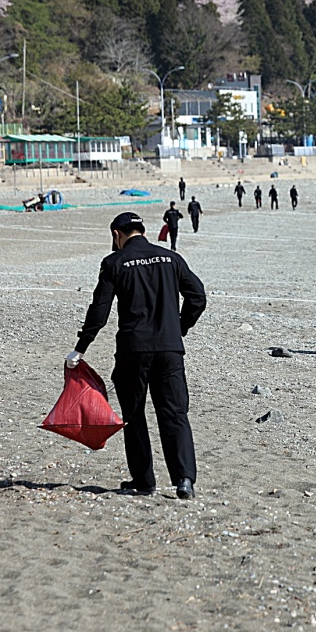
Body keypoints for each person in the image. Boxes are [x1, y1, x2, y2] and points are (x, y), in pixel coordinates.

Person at [66, 212, 207, 499]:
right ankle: (184, 479)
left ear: (117, 234)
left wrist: (81, 347)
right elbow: (198, 296)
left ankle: (144, 481)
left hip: (133, 350)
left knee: (134, 416)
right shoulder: (170, 258)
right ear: (142, 231)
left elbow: (99, 311)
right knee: (175, 413)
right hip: (169, 350)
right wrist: (179, 327)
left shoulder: (114, 262)